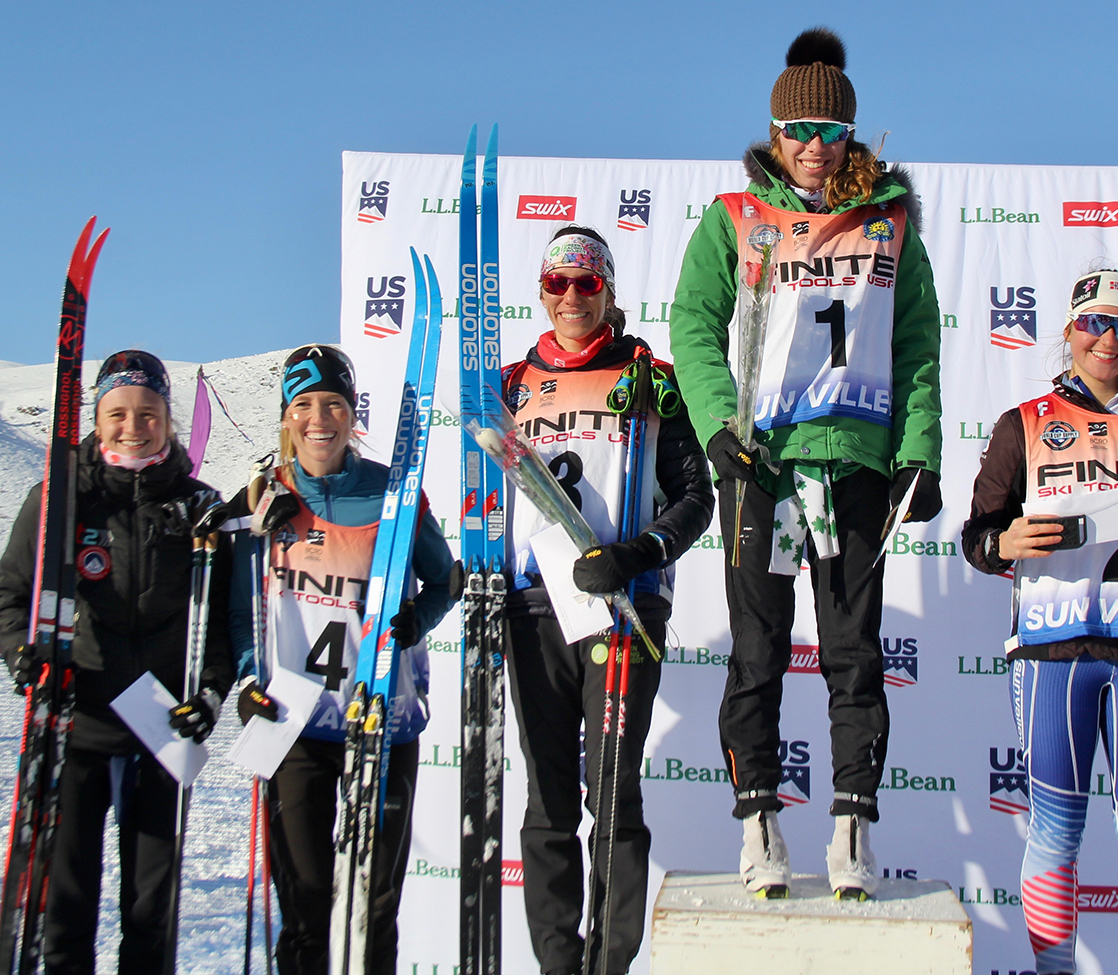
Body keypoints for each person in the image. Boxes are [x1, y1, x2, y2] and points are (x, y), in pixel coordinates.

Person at [668, 26, 944, 901]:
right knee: (757, 651)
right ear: (774, 132)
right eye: (800, 130)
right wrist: (719, 428)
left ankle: (852, 826)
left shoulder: (891, 220)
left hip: (854, 461)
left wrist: (918, 453)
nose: (816, 148)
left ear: (852, 137)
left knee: (855, 653)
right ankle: (759, 824)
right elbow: (692, 326)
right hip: (764, 465)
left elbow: (917, 345)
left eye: (832, 132)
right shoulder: (737, 219)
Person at [962, 269, 1118, 975]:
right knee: (1055, 827)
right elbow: (978, 533)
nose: (1108, 339)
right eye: (1093, 323)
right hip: (1054, 648)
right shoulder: (1026, 422)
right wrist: (1003, 543)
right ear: (1069, 332)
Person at [501, 226, 712, 975]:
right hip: (534, 609)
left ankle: (607, 965)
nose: (570, 298)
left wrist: (636, 554)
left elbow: (695, 497)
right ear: (541, 292)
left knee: (614, 796)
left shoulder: (648, 375)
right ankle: (558, 964)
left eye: (585, 284)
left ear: (609, 291)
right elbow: (481, 500)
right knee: (546, 800)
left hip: (620, 608)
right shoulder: (508, 384)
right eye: (557, 284)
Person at [223, 344, 455, 975]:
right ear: (286, 416)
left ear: (354, 415)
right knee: (303, 903)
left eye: (334, 404)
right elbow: (244, 612)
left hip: (381, 719)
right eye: (304, 404)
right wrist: (249, 676)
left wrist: (417, 622)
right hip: (294, 725)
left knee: (373, 907)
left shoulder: (394, 492)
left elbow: (445, 581)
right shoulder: (266, 501)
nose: (319, 418)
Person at [0, 351, 234, 973]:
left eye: (149, 413)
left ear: (168, 418)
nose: (134, 426)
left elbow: (220, 628)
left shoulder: (197, 505)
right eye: (119, 413)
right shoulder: (59, 498)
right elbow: (9, 593)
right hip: (76, 726)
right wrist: (21, 653)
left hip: (160, 730)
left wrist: (209, 693)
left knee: (150, 908)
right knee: (67, 903)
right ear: (98, 418)